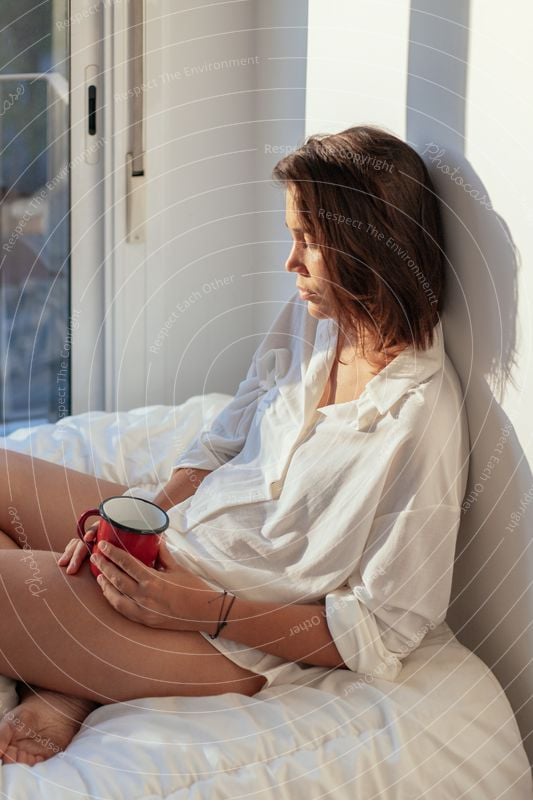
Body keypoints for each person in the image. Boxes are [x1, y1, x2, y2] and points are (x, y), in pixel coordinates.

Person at [0, 125, 469, 766]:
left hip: (226, 637)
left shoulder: (422, 423)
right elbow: (226, 437)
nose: (291, 263)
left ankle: (74, 674)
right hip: (184, 536)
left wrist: (202, 608)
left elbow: (383, 628)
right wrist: (141, 523)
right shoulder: (318, 322)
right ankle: (70, 680)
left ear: (370, 248)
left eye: (309, 243)